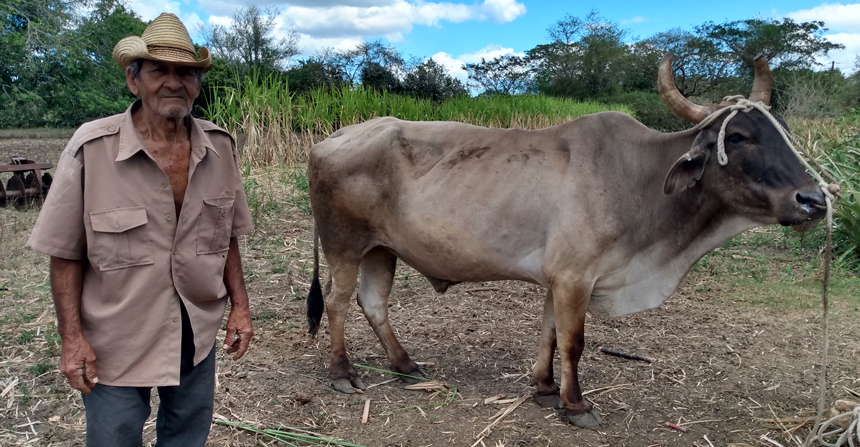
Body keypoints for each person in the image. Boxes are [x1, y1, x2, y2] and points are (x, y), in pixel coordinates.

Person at [27, 12, 254, 447]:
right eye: (159, 70)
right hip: (116, 339)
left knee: (187, 434)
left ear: (197, 83)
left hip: (195, 331)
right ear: (134, 80)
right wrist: (71, 339)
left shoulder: (219, 148)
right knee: (113, 438)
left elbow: (226, 236)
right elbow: (65, 253)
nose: (173, 83)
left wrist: (240, 307)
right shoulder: (92, 148)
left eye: (185, 73)